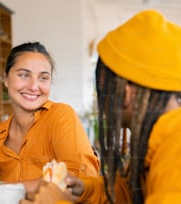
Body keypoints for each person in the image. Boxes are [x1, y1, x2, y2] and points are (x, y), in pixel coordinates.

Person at [20, 9, 181, 204]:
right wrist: (85, 190)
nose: (102, 106)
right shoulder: (159, 139)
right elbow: (129, 193)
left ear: (126, 93)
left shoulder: (176, 144)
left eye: (104, 93)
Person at [0, 42, 100, 203]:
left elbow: (76, 182)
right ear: (5, 78)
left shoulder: (61, 116)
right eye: (24, 75)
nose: (34, 86)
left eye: (43, 77)